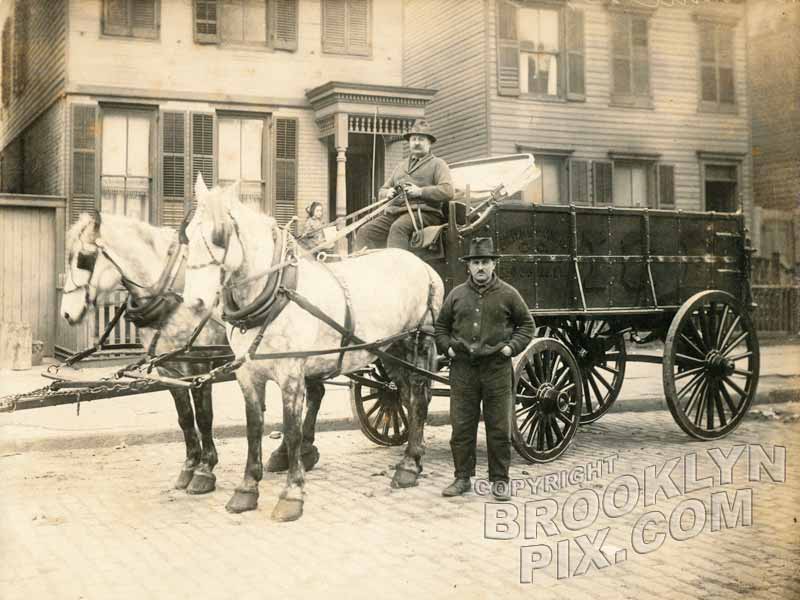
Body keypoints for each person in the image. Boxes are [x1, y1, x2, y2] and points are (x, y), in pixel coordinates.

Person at [434, 237, 534, 501]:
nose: (480, 267)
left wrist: (510, 348)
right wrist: (449, 349)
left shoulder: (509, 294)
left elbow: (527, 325)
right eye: (476, 262)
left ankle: (500, 481)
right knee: (461, 427)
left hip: (496, 370)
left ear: (493, 265)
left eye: (485, 262)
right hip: (463, 370)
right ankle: (462, 478)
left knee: (499, 428)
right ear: (469, 266)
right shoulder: (456, 295)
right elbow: (441, 327)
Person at [355, 119, 453, 251]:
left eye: (421, 139)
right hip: (396, 212)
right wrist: (388, 192)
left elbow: (448, 190)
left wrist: (420, 192)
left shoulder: (438, 164)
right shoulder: (401, 166)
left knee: (398, 229)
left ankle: (397, 270)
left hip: (424, 213)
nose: (416, 143)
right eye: (413, 139)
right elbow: (382, 190)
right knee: (365, 231)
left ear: (430, 143)